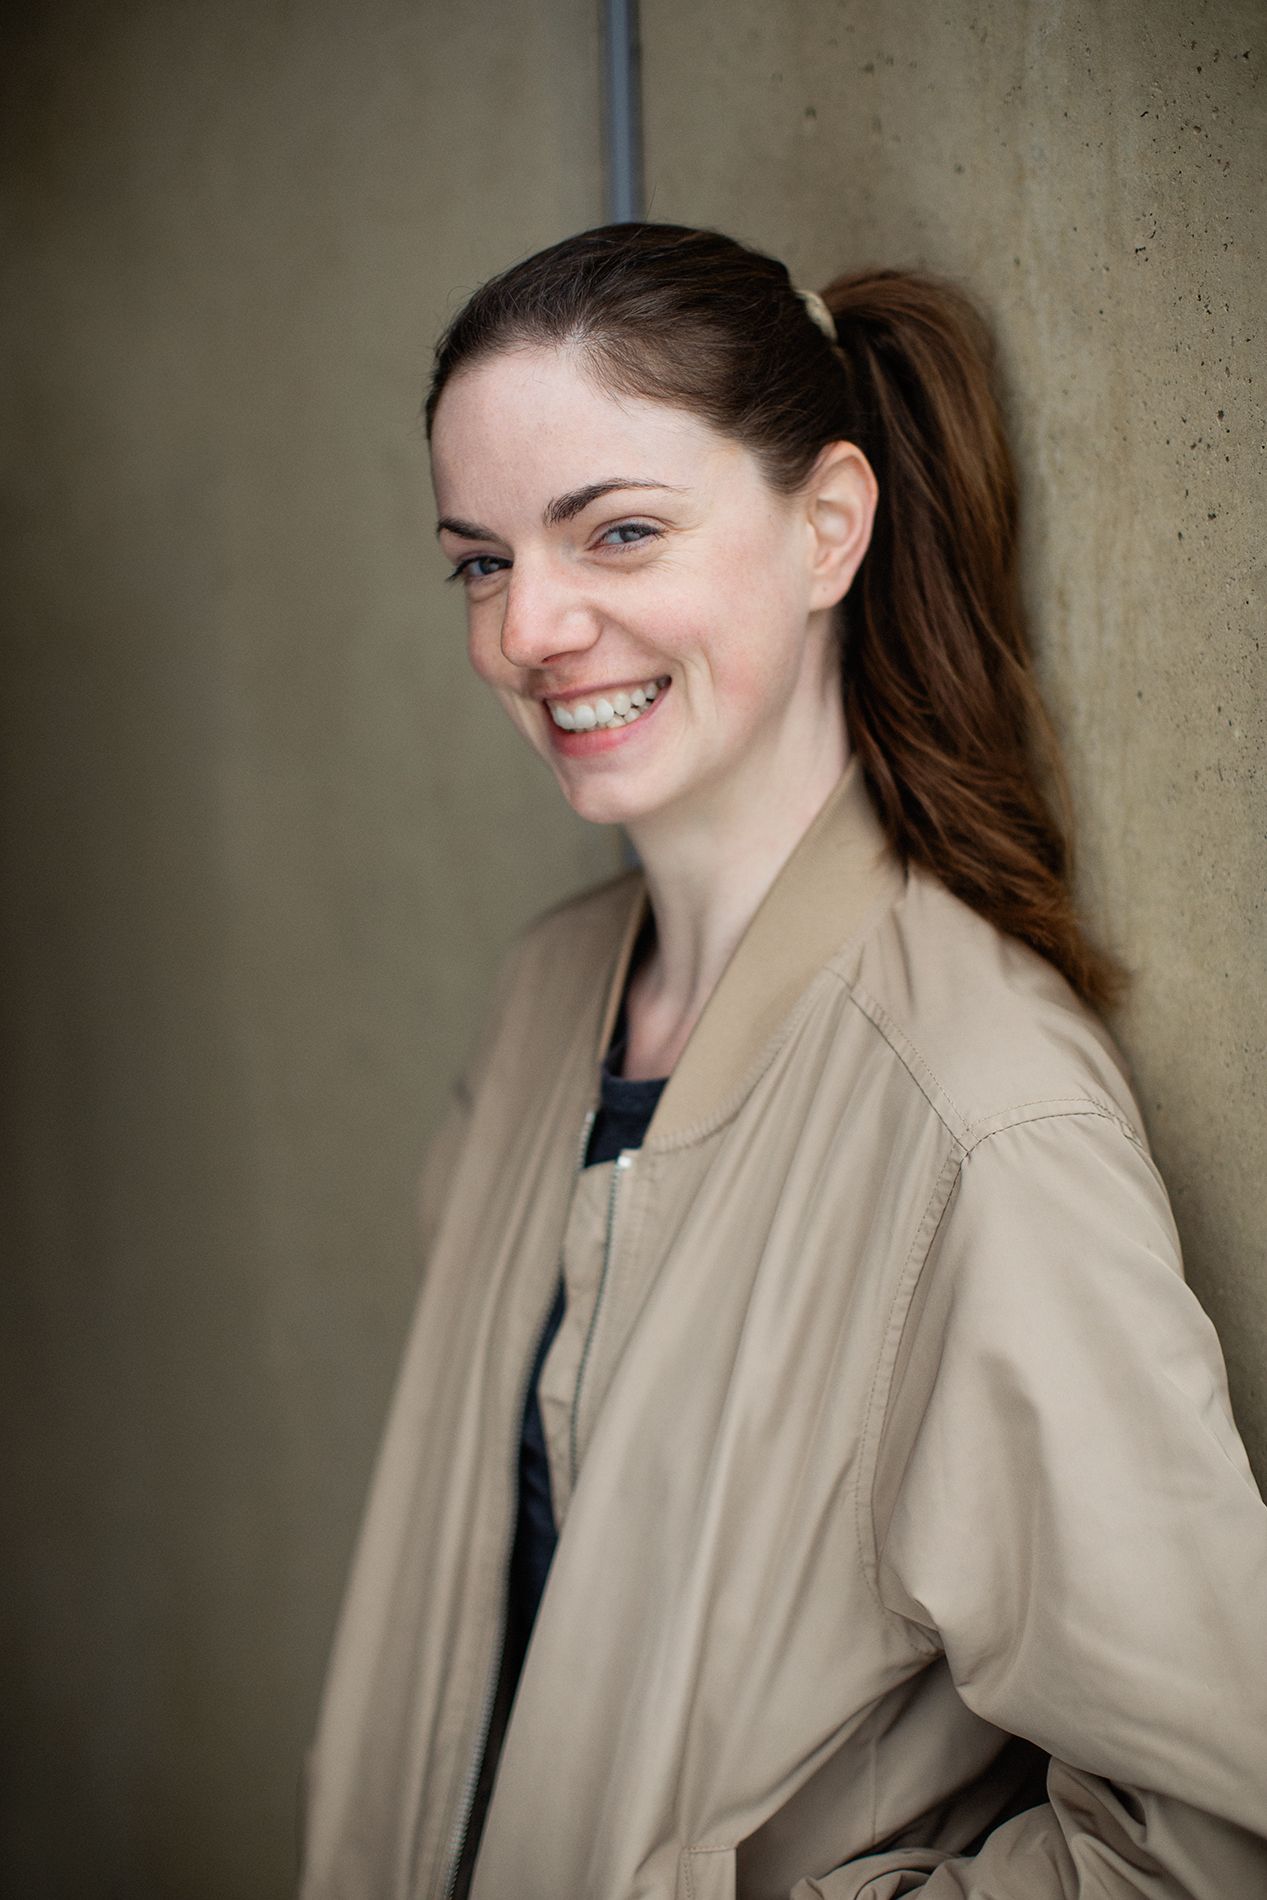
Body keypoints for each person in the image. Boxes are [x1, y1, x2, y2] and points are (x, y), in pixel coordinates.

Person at [299, 224, 1267, 1900]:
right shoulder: (543, 1006)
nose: (532, 626)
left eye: (619, 531)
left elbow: (1209, 1841)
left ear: (829, 527)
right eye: (481, 562)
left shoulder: (978, 1112)